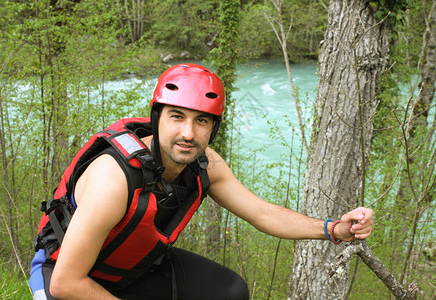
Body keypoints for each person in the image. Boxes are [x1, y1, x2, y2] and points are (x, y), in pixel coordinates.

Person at [29, 63, 374, 300]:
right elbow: (66, 283)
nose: (188, 133)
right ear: (157, 118)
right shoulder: (114, 178)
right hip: (61, 276)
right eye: (177, 117)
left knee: (230, 291)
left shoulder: (206, 165)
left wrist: (334, 230)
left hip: (130, 269)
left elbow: (262, 214)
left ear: (213, 128)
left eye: (202, 122)